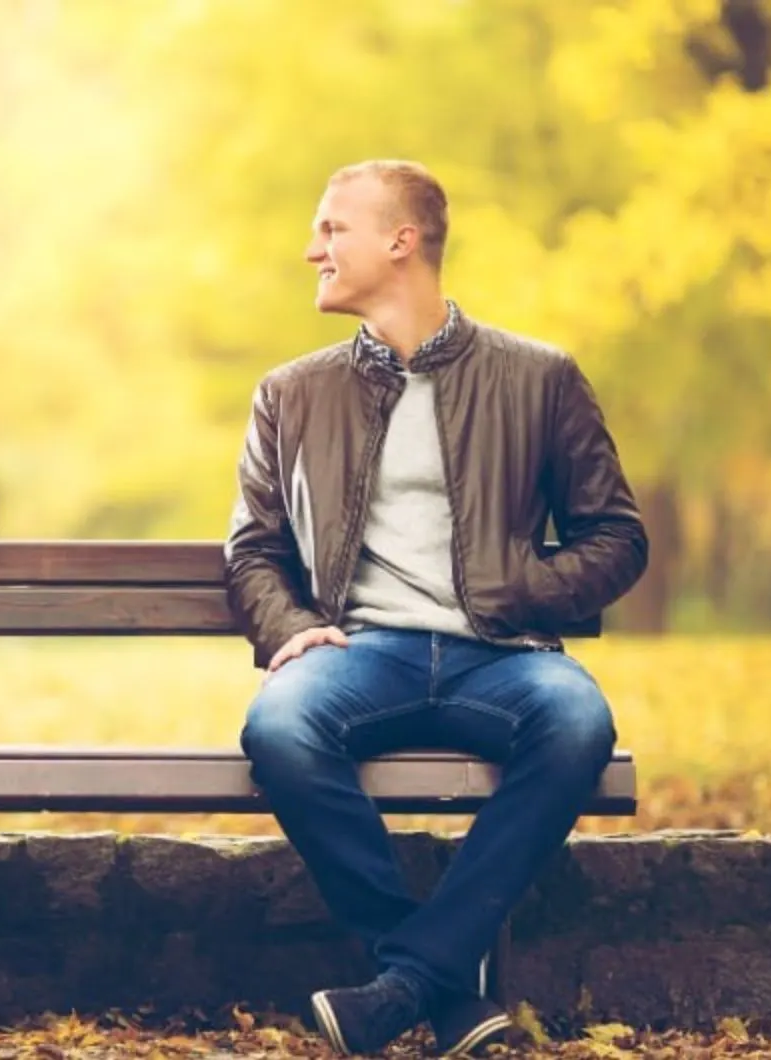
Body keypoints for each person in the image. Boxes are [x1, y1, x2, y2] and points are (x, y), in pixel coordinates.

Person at [227, 161, 647, 1057]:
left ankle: (401, 986)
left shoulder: (539, 378)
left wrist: (520, 590)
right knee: (280, 727)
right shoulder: (291, 394)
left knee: (579, 720)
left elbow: (616, 536)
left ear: (400, 241)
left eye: (332, 229)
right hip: (360, 654)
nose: (314, 250)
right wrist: (291, 628)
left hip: (503, 656)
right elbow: (254, 547)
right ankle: (442, 989)